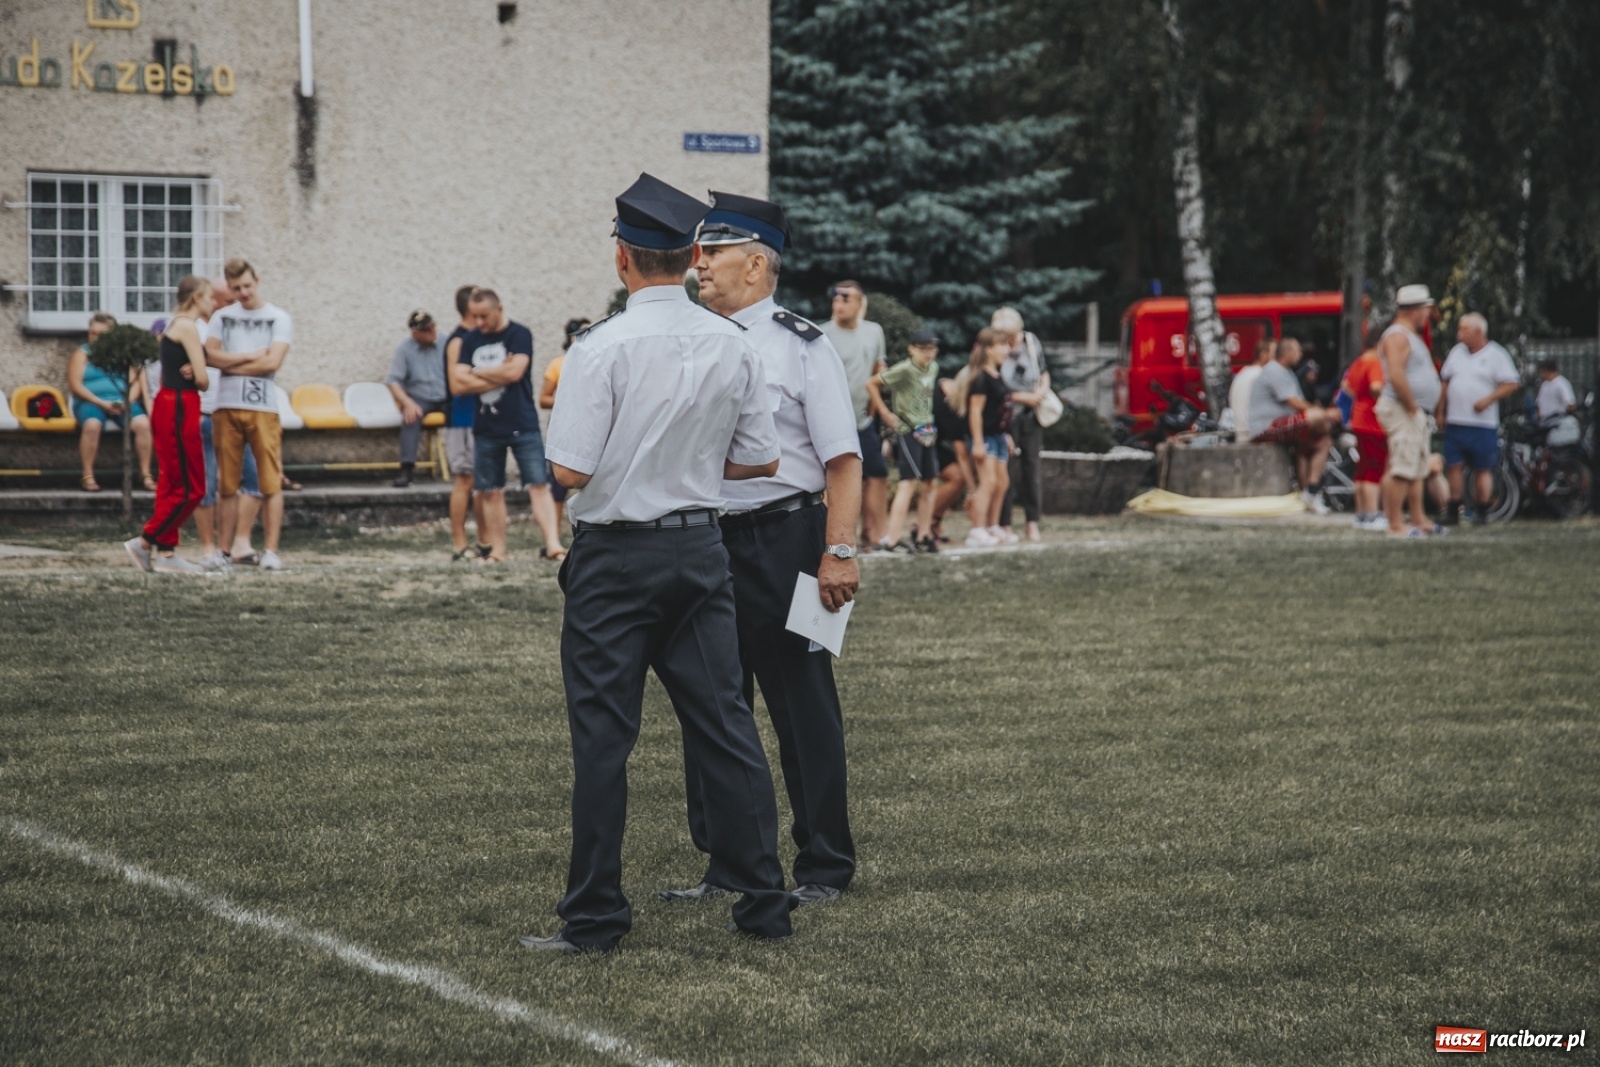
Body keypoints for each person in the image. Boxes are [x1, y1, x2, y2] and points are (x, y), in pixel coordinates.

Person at [523, 173, 792, 953]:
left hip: (616, 557)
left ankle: (596, 917)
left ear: (622, 258)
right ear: (691, 255)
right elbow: (761, 458)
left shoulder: (599, 346)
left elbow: (568, 472)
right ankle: (764, 901)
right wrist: (691, 463)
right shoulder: (733, 342)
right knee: (726, 726)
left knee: (604, 738)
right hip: (701, 547)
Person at [654, 191, 863, 908]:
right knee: (714, 702)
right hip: (709, 542)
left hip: (792, 542)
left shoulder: (802, 344)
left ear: (755, 261)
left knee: (804, 704)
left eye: (712, 252)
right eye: (699, 251)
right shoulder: (693, 338)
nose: (699, 263)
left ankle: (824, 865)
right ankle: (730, 863)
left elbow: (842, 460)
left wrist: (840, 550)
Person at [449, 289, 565, 562]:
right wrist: (500, 374)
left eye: (484, 316)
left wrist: (475, 372)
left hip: (522, 424)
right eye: (474, 317)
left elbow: (516, 372)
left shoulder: (519, 334)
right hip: (486, 427)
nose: (479, 322)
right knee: (490, 491)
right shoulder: (469, 340)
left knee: (538, 485)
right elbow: (459, 380)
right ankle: (498, 551)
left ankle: (553, 545)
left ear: (499, 309)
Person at [206, 258, 291, 570]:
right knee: (226, 483)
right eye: (236, 288)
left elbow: (272, 363)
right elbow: (209, 357)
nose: (243, 293)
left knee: (269, 481)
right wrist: (247, 356)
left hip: (263, 407)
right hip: (226, 406)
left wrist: (230, 362)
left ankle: (271, 550)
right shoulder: (222, 316)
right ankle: (223, 551)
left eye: (247, 286)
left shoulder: (278, 317)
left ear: (257, 280)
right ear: (229, 287)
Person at [123, 276, 213, 575]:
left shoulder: (174, 324)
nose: (213, 303)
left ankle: (167, 552)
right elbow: (202, 380)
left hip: (168, 403)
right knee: (192, 488)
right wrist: (198, 365)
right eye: (209, 297)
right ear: (197, 297)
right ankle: (146, 541)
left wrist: (196, 361)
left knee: (172, 482)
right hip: (179, 405)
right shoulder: (188, 326)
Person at [819, 280, 893, 549]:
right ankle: (831, 539)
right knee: (834, 479)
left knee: (877, 473)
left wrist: (874, 412)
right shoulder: (823, 334)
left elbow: (877, 369)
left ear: (860, 304)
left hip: (863, 420)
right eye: (835, 299)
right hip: (833, 421)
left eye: (846, 299)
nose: (839, 304)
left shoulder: (874, 332)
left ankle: (875, 535)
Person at [1437, 312, 1519, 525]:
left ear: (1478, 332)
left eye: (1464, 330)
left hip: (1482, 424)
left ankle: (1482, 511)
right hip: (1456, 421)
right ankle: (1453, 510)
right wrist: (1441, 411)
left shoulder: (1496, 354)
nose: (1459, 335)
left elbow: (1511, 383)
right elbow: (1445, 382)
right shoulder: (1456, 353)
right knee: (1453, 466)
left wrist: (1489, 399)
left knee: (1483, 468)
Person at [1377, 284, 1443, 537]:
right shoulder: (1397, 336)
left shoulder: (1408, 335)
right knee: (1403, 466)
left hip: (1414, 411)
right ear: (1415, 310)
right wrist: (1412, 407)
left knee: (1417, 468)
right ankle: (1395, 524)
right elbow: (1395, 373)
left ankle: (1418, 519)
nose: (1428, 314)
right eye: (1426, 309)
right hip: (1403, 408)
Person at [867, 328, 942, 552]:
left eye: (932, 349)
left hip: (927, 428)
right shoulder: (904, 370)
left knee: (930, 483)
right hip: (908, 429)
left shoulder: (934, 368)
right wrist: (885, 413)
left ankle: (923, 534)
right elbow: (871, 384)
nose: (929, 354)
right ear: (912, 350)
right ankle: (891, 538)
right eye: (924, 349)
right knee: (908, 482)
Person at [1248, 337, 1341, 515]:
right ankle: (1309, 492)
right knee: (1317, 418)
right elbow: (1294, 403)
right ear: (1287, 353)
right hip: (1267, 426)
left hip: (1286, 425)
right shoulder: (1274, 370)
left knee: (1322, 442)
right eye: (1297, 351)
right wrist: (1325, 414)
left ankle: (1310, 492)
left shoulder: (1288, 373)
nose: (1300, 355)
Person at [69, 312, 155, 493]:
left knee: (143, 424)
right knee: (92, 425)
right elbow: (75, 385)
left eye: (100, 334)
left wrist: (126, 402)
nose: (94, 337)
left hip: (121, 401)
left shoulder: (124, 355)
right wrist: (100, 403)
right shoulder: (82, 353)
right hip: (90, 401)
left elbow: (135, 383)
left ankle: (145, 474)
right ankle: (87, 475)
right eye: (92, 332)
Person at [991, 308, 1050, 543]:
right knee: (1006, 470)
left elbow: (1043, 371)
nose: (1011, 341)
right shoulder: (992, 348)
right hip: (1005, 417)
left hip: (1031, 416)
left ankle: (1032, 522)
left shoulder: (1031, 341)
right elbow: (991, 386)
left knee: (1031, 469)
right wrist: (1021, 397)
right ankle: (1004, 524)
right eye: (1007, 337)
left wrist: (1041, 391)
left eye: (1014, 335)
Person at [442, 285, 488, 561]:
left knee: (483, 484)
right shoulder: (458, 341)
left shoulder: (479, 338)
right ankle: (459, 544)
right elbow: (456, 385)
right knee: (465, 480)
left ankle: (484, 542)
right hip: (460, 419)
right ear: (469, 308)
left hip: (480, 417)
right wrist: (497, 376)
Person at [958, 327, 1015, 546]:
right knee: (988, 482)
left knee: (1002, 482)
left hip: (998, 436)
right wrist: (979, 442)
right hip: (985, 438)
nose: (1007, 349)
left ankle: (993, 526)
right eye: (1002, 345)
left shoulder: (997, 374)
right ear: (989, 350)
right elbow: (975, 412)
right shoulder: (981, 378)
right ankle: (977, 530)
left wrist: (1006, 434)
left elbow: (1001, 409)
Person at [385, 309, 451, 488]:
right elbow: (393, 381)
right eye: (426, 330)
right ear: (415, 333)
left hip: (447, 395)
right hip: (419, 397)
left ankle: (469, 467)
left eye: (432, 326)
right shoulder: (404, 348)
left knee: (465, 415)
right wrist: (407, 402)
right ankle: (406, 470)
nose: (432, 331)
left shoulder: (448, 341)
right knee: (411, 417)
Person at [537, 317, 591, 532]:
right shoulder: (559, 364)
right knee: (558, 483)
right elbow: (544, 399)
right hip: (565, 424)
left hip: (591, 424)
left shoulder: (599, 360)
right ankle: (554, 533)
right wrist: (569, 399)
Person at [1339, 331, 1389, 530]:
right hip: (1372, 420)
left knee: (1362, 468)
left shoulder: (1359, 361)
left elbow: (1346, 386)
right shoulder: (1375, 362)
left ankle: (1361, 514)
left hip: (1358, 417)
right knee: (1374, 468)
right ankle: (1371, 514)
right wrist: (1394, 396)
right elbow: (1376, 386)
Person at [929, 373, 974, 544]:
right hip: (915, 441)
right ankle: (923, 524)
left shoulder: (942, 383)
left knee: (957, 477)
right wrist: (973, 490)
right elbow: (961, 454)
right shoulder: (953, 408)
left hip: (931, 443)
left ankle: (934, 523)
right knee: (957, 477)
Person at [1228, 338, 1274, 443]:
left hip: (1240, 433)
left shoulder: (1244, 371)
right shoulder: (1261, 375)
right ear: (1263, 355)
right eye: (1274, 353)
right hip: (1253, 434)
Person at [1535, 360, 1578, 427]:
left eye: (1542, 372)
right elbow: (1539, 402)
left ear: (1548, 371)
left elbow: (1570, 403)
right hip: (1543, 421)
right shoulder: (1544, 384)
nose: (1541, 375)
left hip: (1556, 421)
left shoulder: (1562, 383)